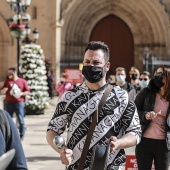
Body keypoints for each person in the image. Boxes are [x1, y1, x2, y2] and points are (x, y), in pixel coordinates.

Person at [46, 41, 141, 169]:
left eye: (96, 63)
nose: (91, 66)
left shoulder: (122, 97)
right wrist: (62, 150)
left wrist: (119, 143)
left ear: (107, 66)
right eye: (87, 62)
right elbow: (52, 131)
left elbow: (135, 132)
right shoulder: (69, 97)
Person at [135, 65, 170, 170]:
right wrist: (145, 115)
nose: (157, 76)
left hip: (164, 144)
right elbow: (133, 112)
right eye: (156, 74)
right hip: (144, 141)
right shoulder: (146, 92)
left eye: (161, 74)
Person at [1, 67, 30, 140]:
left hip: (19, 103)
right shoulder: (7, 81)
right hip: (9, 103)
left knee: (21, 120)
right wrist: (4, 90)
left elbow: (27, 91)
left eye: (10, 72)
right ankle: (9, 136)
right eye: (8, 73)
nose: (9, 74)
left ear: (15, 72)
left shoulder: (22, 81)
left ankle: (21, 136)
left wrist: (21, 93)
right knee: (8, 120)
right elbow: (2, 91)